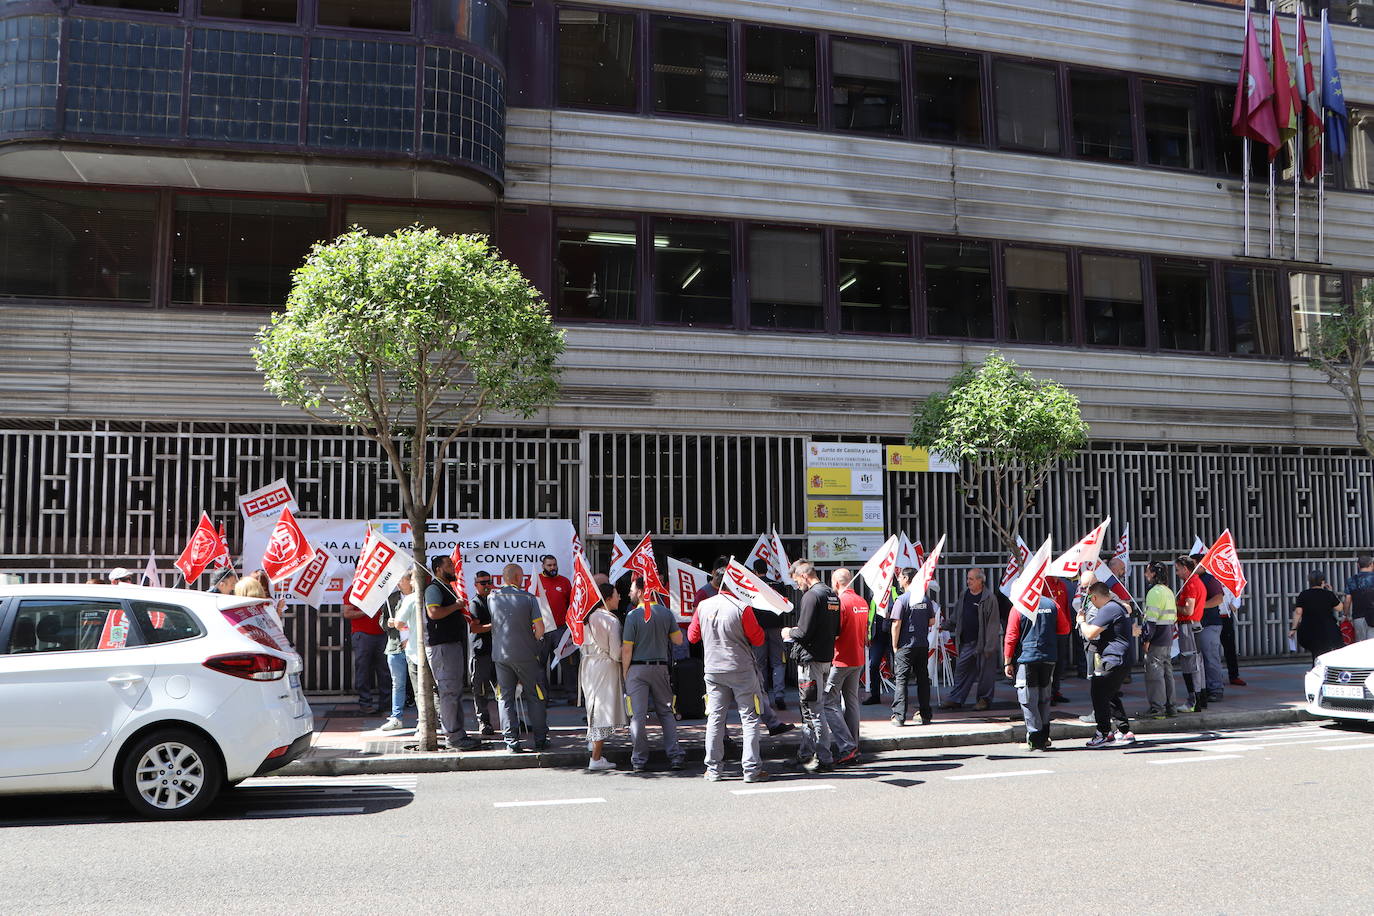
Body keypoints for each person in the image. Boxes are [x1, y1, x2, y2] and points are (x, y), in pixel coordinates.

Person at [688, 587, 770, 783]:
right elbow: (758, 639)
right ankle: (751, 770)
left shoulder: (703, 606)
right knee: (749, 718)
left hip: (713, 669)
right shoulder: (742, 607)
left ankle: (713, 769)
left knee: (715, 718)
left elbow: (692, 637)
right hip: (741, 669)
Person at [621, 575, 685, 771]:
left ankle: (639, 760)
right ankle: (675, 756)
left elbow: (626, 649)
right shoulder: (666, 613)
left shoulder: (632, 616)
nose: (629, 593)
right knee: (666, 712)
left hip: (637, 669)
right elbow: (678, 640)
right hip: (660, 668)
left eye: (632, 589)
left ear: (641, 592)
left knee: (637, 716)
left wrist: (625, 673)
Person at [784, 559, 840, 774]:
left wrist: (788, 632)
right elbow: (838, 629)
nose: (797, 585)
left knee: (814, 710)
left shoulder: (811, 596)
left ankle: (824, 758)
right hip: (826, 658)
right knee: (809, 708)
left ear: (805, 576)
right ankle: (805, 753)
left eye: (797, 580)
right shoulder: (831, 594)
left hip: (811, 661)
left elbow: (803, 632)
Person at [489, 562, 550, 753]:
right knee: (534, 696)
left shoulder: (492, 598)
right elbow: (540, 629)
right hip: (526, 655)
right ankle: (540, 739)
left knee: (505, 698)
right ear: (517, 578)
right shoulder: (529, 598)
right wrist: (533, 642)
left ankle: (511, 742)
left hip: (501, 655)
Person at [424, 555, 480, 751]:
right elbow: (433, 613)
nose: (454, 568)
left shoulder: (447, 587)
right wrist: (456, 606)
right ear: (438, 569)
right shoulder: (434, 588)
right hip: (442, 647)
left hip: (451, 646)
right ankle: (453, 737)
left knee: (453, 692)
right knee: (448, 692)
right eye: (449, 565)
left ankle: (458, 734)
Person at [1080, 581, 1136, 749]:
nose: (1091, 603)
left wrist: (1082, 621)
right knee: (1110, 694)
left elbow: (1090, 633)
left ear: (1095, 597)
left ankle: (1103, 733)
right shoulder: (1117, 606)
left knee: (1098, 693)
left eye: (1090, 599)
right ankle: (1124, 731)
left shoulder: (1108, 609)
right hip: (1120, 657)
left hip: (1113, 658)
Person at [1004, 592, 1058, 752]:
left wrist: (1007, 661)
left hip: (1027, 657)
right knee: (1044, 696)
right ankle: (1045, 735)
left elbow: (1011, 636)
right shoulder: (1052, 604)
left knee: (1028, 698)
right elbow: (1064, 628)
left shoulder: (1018, 606)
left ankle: (1035, 738)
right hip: (1048, 657)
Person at [582, 582, 628, 770]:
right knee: (601, 712)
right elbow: (616, 653)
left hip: (588, 666)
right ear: (607, 598)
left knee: (593, 709)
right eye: (617, 594)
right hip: (605, 666)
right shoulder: (611, 620)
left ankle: (593, 746)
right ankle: (596, 757)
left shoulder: (587, 618)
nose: (619, 598)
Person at [942, 568, 1002, 712]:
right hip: (967, 642)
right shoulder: (965, 595)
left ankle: (984, 700)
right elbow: (957, 615)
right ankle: (956, 699)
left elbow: (993, 624)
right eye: (968, 578)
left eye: (972, 579)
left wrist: (989, 647)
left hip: (984, 643)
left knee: (985, 675)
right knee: (961, 671)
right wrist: (944, 626)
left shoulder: (989, 598)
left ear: (981, 580)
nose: (968, 581)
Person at [825, 567, 867, 764]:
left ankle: (846, 745)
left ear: (836, 583)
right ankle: (853, 745)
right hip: (858, 658)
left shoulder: (840, 602)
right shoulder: (862, 601)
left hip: (841, 659)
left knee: (827, 702)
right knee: (851, 701)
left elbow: (834, 632)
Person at [889, 567, 934, 727]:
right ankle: (925, 714)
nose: (898, 580)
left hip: (905, 646)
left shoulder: (902, 600)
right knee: (922, 679)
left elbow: (896, 624)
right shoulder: (925, 599)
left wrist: (895, 646)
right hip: (921, 644)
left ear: (907, 579)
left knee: (901, 680)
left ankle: (899, 716)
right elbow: (932, 621)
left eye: (900, 577)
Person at [342, 580, 391, 716]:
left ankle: (386, 704)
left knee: (385, 671)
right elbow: (347, 613)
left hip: (382, 634)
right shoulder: (354, 589)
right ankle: (365, 704)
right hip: (362, 635)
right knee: (363, 670)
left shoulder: (380, 587)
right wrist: (366, 611)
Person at [1140, 561, 1177, 719]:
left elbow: (1151, 621)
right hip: (1167, 637)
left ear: (1154, 573)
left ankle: (1157, 708)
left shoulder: (1154, 592)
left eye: (1147, 571)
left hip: (1157, 639)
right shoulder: (1168, 591)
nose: (1145, 574)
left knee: (1154, 674)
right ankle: (1171, 707)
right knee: (1167, 673)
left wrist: (1146, 639)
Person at [380, 571, 416, 732]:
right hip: (395, 647)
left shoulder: (417, 598)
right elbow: (382, 623)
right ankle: (396, 717)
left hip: (415, 647)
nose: (399, 583)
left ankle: (424, 719)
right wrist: (388, 623)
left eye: (402, 580)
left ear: (410, 581)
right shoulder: (391, 599)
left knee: (419, 685)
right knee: (398, 684)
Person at [1173, 556, 1208, 713]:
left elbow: (1188, 610)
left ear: (1185, 569)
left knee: (1190, 664)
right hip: (1194, 626)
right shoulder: (1196, 582)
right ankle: (1200, 699)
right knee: (1197, 663)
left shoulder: (1190, 584)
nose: (1177, 573)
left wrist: (1173, 605)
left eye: (1178, 569)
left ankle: (1193, 701)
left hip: (1189, 626)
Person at [751, 559, 787, 710]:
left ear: (754, 571)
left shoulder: (752, 587)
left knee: (760, 663)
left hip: (758, 629)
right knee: (778, 662)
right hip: (776, 628)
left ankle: (762, 695)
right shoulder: (778, 586)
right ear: (767, 569)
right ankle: (779, 695)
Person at [468, 570, 499, 736]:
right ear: (476, 585)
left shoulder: (494, 600)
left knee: (502, 688)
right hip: (481, 653)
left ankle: (510, 720)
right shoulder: (475, 603)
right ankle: (484, 722)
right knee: (480, 690)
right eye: (483, 583)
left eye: (489, 582)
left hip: (497, 651)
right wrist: (494, 625)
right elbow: (474, 627)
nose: (487, 585)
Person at [539, 555, 575, 694]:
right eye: (549, 565)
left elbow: (571, 605)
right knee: (539, 664)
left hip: (561, 629)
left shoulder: (564, 582)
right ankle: (543, 696)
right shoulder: (537, 581)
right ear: (543, 566)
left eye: (554, 564)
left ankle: (572, 694)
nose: (552, 567)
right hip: (543, 629)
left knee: (568, 662)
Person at [1292, 570, 1345, 663]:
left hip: (1309, 629)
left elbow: (1298, 612)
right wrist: (1332, 592)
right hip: (1328, 629)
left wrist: (1293, 629)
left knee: (1315, 652)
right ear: (1323, 582)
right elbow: (1340, 608)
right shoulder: (1328, 594)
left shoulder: (1304, 594)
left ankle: (1316, 667)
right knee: (1327, 652)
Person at [1195, 560, 1227, 703]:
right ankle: (1207, 688)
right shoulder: (1195, 580)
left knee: (1211, 658)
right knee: (1203, 660)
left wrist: (1200, 607)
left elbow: (1219, 598)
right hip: (1200, 625)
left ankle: (1216, 689)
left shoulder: (1210, 580)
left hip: (1210, 624)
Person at [1046, 575, 1074, 704]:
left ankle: (1056, 691)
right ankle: (1048, 693)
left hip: (1062, 629)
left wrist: (1068, 625)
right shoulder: (1044, 583)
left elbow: (1066, 606)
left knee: (1059, 662)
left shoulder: (1062, 585)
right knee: (1050, 663)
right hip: (1049, 629)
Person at [1342, 555, 1374, 642]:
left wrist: (1345, 615)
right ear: (1371, 564)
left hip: (1358, 617)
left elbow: (1348, 599)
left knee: (1360, 644)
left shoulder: (1352, 580)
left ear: (1358, 566)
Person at [1219, 586, 1246, 686]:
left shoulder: (1230, 578)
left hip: (1227, 616)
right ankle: (1215, 677)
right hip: (1212, 617)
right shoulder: (1210, 576)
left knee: (1230, 647)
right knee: (1212, 649)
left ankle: (1234, 675)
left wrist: (1235, 604)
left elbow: (1237, 594)